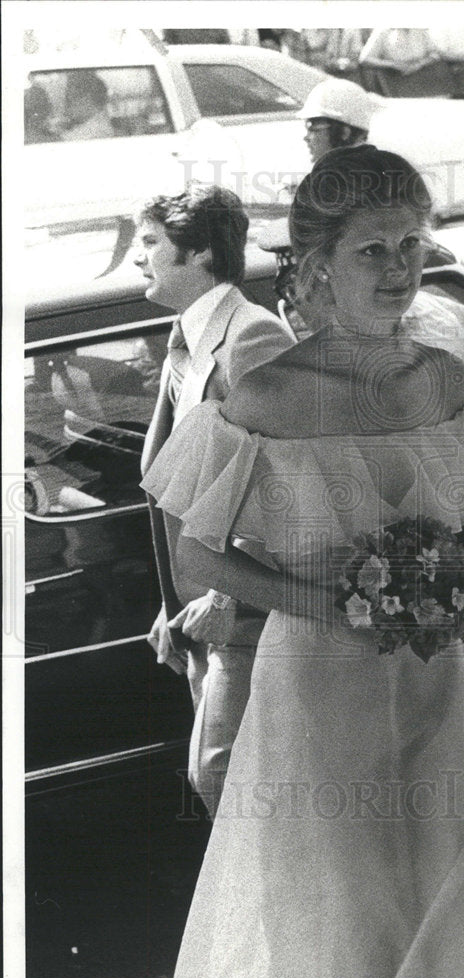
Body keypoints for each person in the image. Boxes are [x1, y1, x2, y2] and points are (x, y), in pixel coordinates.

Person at [143, 145, 464, 978]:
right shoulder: (266, 391)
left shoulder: (444, 380)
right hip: (318, 693)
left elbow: (448, 557)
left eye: (411, 244)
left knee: (440, 911)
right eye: (373, 249)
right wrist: (327, 602)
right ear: (320, 265)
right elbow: (197, 555)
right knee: (345, 929)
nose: (399, 268)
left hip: (435, 683)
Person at [137, 185, 296, 817]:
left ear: (200, 252)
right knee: (244, 785)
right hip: (203, 611)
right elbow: (171, 481)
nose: (139, 257)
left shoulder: (253, 336)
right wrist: (172, 600)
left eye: (151, 242)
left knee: (225, 777)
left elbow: (287, 479)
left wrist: (225, 597)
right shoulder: (186, 337)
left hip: (248, 605)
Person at [299, 77, 377, 165]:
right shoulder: (380, 166)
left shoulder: (338, 172)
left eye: (313, 127)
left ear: (344, 133)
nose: (306, 138)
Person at [61, 70, 114, 141]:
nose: (66, 108)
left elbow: (65, 140)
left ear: (86, 99)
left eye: (70, 101)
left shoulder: (97, 130)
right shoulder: (98, 120)